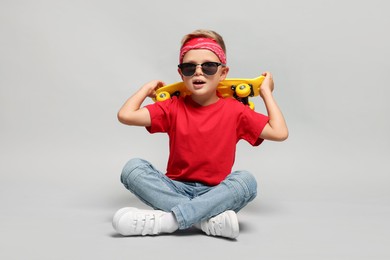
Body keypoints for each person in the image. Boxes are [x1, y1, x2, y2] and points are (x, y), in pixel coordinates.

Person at [113, 29, 288, 239]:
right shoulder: (172, 107)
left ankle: (168, 221)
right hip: (175, 188)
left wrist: (265, 92)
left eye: (209, 66)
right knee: (132, 169)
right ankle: (205, 219)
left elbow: (279, 132)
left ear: (223, 73)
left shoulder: (236, 110)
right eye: (189, 67)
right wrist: (146, 88)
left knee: (246, 182)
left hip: (215, 192)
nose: (198, 72)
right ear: (181, 74)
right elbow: (126, 115)